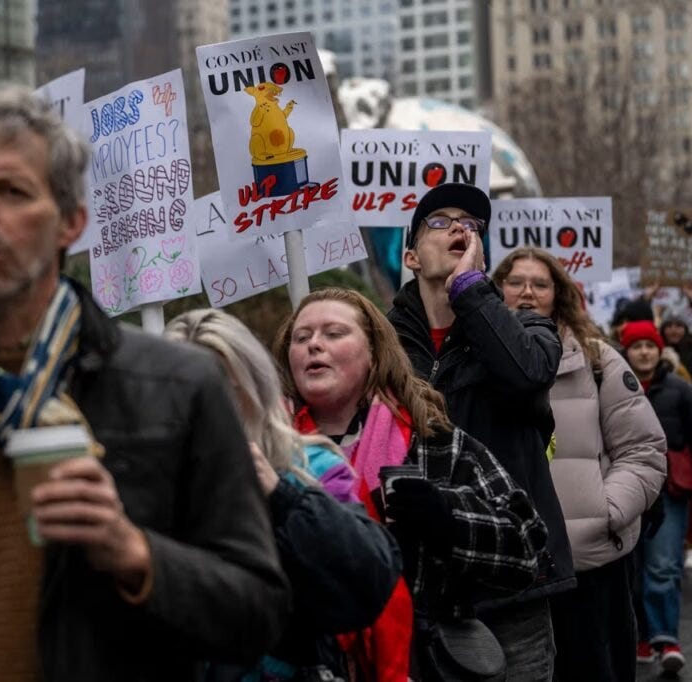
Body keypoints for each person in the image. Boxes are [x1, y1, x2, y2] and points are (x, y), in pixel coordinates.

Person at [0, 86, 289, 679]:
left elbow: (258, 612)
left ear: (71, 223)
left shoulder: (177, 387)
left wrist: (135, 553)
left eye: (11, 191)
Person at [275, 287, 551, 681]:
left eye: (333, 333)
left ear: (374, 353)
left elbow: (526, 549)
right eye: (301, 338)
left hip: (417, 663)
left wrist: (449, 517)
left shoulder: (434, 443)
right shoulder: (267, 452)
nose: (314, 345)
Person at [387, 184, 574, 677]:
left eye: (470, 224)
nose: (458, 228)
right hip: (421, 582)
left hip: (511, 579)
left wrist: (471, 291)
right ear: (411, 256)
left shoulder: (530, 329)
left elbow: (526, 373)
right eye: (441, 221)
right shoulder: (379, 344)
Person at [165, 309, 403, 680]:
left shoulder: (309, 466)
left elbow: (366, 585)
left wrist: (280, 495)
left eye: (219, 390)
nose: (201, 408)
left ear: (254, 389)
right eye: (181, 390)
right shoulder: (144, 477)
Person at [492, 247, 666, 681]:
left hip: (590, 565)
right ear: (496, 291)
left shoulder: (597, 360)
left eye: (540, 284)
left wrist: (605, 512)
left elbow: (643, 449)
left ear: (559, 295)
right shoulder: (475, 361)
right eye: (515, 283)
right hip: (509, 569)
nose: (527, 293)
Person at [620, 321, 692, 674]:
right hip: (622, 491)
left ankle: (666, 638)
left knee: (663, 566)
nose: (645, 352)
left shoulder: (681, 390)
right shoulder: (609, 388)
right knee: (627, 570)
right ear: (626, 351)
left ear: (659, 349)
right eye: (637, 346)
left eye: (650, 345)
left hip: (669, 493)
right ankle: (640, 636)